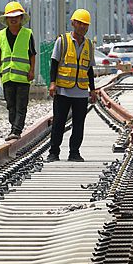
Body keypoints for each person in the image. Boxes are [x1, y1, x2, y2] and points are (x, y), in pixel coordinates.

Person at [47, 9, 97, 162]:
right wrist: (53, 83)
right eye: (80, 23)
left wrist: (92, 90)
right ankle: (53, 153)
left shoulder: (89, 44)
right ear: (73, 23)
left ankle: (74, 152)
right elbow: (54, 63)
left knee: (79, 124)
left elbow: (89, 69)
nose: (82, 26)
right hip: (63, 90)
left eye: (85, 24)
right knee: (58, 123)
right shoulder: (62, 41)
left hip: (81, 92)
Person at [0, 1, 36, 141]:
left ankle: (16, 130)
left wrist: (32, 70)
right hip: (7, 77)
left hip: (23, 77)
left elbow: (32, 54)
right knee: (11, 105)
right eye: (11, 17)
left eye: (16, 16)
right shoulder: (0, 35)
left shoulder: (28, 34)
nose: (13, 19)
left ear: (21, 18)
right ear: (6, 19)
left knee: (21, 105)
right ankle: (14, 127)